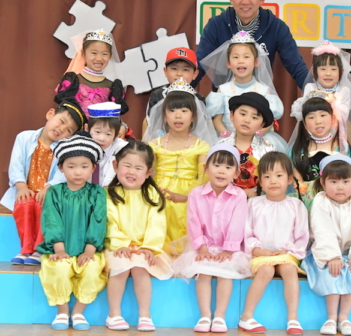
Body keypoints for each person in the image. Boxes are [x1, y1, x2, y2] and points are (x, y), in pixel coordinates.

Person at [172, 144, 251, 333]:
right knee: (203, 272)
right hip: (204, 245)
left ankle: (220, 316)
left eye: (228, 167)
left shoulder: (239, 196)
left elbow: (237, 223)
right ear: (206, 168)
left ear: (236, 173)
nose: (221, 171)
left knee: (225, 274)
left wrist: (228, 250)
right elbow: (193, 222)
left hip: (229, 248)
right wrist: (202, 248)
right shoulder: (196, 194)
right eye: (216, 165)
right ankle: (205, 315)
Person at [0, 99, 86, 265]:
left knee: (45, 206)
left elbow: (62, 173)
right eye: (61, 121)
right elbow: (16, 165)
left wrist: (49, 187)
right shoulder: (24, 137)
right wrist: (21, 187)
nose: (61, 129)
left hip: (49, 193)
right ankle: (26, 249)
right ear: (50, 114)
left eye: (69, 130)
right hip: (26, 190)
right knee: (24, 205)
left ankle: (40, 249)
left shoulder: (65, 148)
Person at [195, 0, 309, 90]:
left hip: (259, 96)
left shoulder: (277, 27)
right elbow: (198, 65)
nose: (245, 1)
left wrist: (315, 92)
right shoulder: (216, 25)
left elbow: (296, 66)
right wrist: (181, 91)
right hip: (223, 96)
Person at [37, 132, 107, 331]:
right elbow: (52, 222)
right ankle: (62, 311)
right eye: (71, 166)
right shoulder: (54, 193)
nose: (78, 172)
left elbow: (98, 221)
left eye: (84, 166)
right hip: (61, 247)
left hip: (88, 249)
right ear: (61, 167)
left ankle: (78, 312)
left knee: (92, 270)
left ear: (93, 168)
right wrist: (59, 250)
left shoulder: (97, 193)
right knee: (58, 269)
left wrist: (89, 251)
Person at [104, 141, 173, 332]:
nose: (131, 172)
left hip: (144, 246)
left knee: (140, 267)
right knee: (120, 266)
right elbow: (108, 222)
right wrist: (120, 244)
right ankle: (114, 314)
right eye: (127, 165)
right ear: (115, 165)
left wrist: (149, 247)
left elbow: (157, 223)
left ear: (149, 172)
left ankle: (144, 314)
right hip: (116, 246)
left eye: (138, 168)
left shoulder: (152, 195)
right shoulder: (108, 194)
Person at [240, 152, 309, 335]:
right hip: (261, 255)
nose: (273, 181)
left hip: (286, 254)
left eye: (279, 175)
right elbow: (246, 231)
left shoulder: (296, 205)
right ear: (260, 181)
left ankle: (293, 318)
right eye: (267, 176)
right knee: (266, 270)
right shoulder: (253, 204)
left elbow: (302, 236)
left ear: (289, 179)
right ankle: (246, 316)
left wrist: (288, 251)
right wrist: (258, 250)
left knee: (289, 270)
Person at [145, 78, 216, 253]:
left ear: (193, 116)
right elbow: (147, 174)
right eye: (172, 110)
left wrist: (186, 196)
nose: (178, 116)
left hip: (190, 195)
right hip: (158, 193)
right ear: (164, 115)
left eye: (184, 111)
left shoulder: (201, 145)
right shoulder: (154, 145)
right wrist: (156, 192)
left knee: (184, 210)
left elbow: (204, 177)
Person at [301, 155, 351, 336]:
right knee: (332, 272)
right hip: (324, 252)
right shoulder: (321, 200)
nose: (340, 187)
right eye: (333, 181)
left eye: (345, 181)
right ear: (323, 182)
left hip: (350, 252)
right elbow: (322, 230)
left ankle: (344, 318)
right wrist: (332, 256)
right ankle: (331, 317)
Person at [203, 30, 287, 152]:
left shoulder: (264, 91)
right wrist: (226, 135)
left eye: (246, 57)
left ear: (256, 62)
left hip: (257, 140)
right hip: (229, 139)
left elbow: (269, 122)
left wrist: (260, 133)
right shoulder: (223, 89)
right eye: (235, 57)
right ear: (228, 63)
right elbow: (217, 120)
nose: (241, 61)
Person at [299, 40, 351, 145]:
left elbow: (343, 116)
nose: (328, 73)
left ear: (341, 72)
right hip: (313, 134)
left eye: (333, 69)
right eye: (323, 69)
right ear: (313, 71)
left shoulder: (343, 91)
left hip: (337, 135)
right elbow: (306, 113)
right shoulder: (310, 88)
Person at [290, 95, 348, 211]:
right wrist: (300, 184)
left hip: (335, 200)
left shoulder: (342, 146)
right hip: (307, 201)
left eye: (323, 115)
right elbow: (294, 169)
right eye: (311, 117)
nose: (318, 121)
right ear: (304, 124)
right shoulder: (299, 148)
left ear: (332, 118)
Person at [54, 29, 128, 118]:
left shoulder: (112, 86)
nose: (99, 58)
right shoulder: (73, 80)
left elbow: (113, 118)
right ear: (83, 54)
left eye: (104, 54)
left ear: (110, 56)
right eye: (94, 53)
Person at [218, 92, 276, 198]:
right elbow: (215, 176)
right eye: (243, 114)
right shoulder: (220, 147)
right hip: (226, 199)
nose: (247, 120)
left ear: (262, 124)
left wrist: (256, 192)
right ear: (232, 115)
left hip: (258, 201)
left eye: (254, 117)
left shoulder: (268, 149)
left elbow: (273, 178)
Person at [144, 47, 205, 133]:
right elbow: (150, 123)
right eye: (174, 69)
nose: (179, 74)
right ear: (165, 71)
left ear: (195, 74)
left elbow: (201, 127)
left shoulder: (199, 99)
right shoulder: (157, 95)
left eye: (185, 69)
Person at [86, 102, 128, 187]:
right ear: (87, 129)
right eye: (97, 132)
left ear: (117, 135)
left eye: (108, 134)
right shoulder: (80, 146)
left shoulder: (121, 149)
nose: (101, 138)